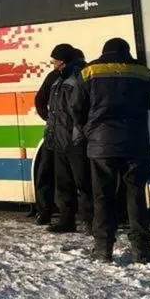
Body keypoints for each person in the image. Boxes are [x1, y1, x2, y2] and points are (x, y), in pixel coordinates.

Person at [70, 37, 150, 264]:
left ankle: (103, 249)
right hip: (134, 142)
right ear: (127, 51)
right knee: (136, 195)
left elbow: (75, 106)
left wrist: (88, 130)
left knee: (103, 197)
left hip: (101, 144)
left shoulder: (89, 72)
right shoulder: (140, 71)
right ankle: (141, 249)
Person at [46, 46, 93, 234]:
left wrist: (78, 133)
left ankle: (91, 221)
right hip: (60, 139)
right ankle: (67, 220)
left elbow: (80, 109)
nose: (53, 65)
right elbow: (54, 110)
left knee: (84, 183)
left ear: (63, 61)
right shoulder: (60, 79)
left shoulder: (78, 78)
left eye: (55, 61)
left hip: (75, 139)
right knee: (64, 183)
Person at [30, 56, 65, 225]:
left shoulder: (54, 77)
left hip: (54, 132)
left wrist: (50, 120)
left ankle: (44, 211)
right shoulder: (82, 75)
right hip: (69, 134)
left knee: (46, 172)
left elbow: (39, 100)